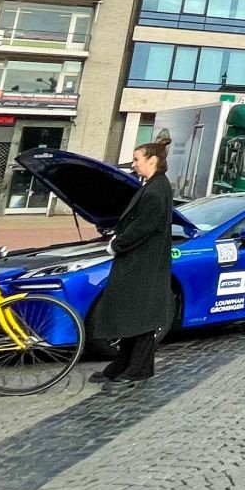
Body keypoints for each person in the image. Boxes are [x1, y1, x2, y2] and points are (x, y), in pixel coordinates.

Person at [93, 137, 177, 384]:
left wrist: (117, 244)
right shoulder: (155, 185)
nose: (134, 164)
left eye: (137, 159)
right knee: (133, 315)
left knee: (140, 316)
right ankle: (125, 362)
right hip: (140, 261)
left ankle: (139, 366)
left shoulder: (156, 189)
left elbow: (144, 225)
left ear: (152, 160)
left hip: (143, 263)